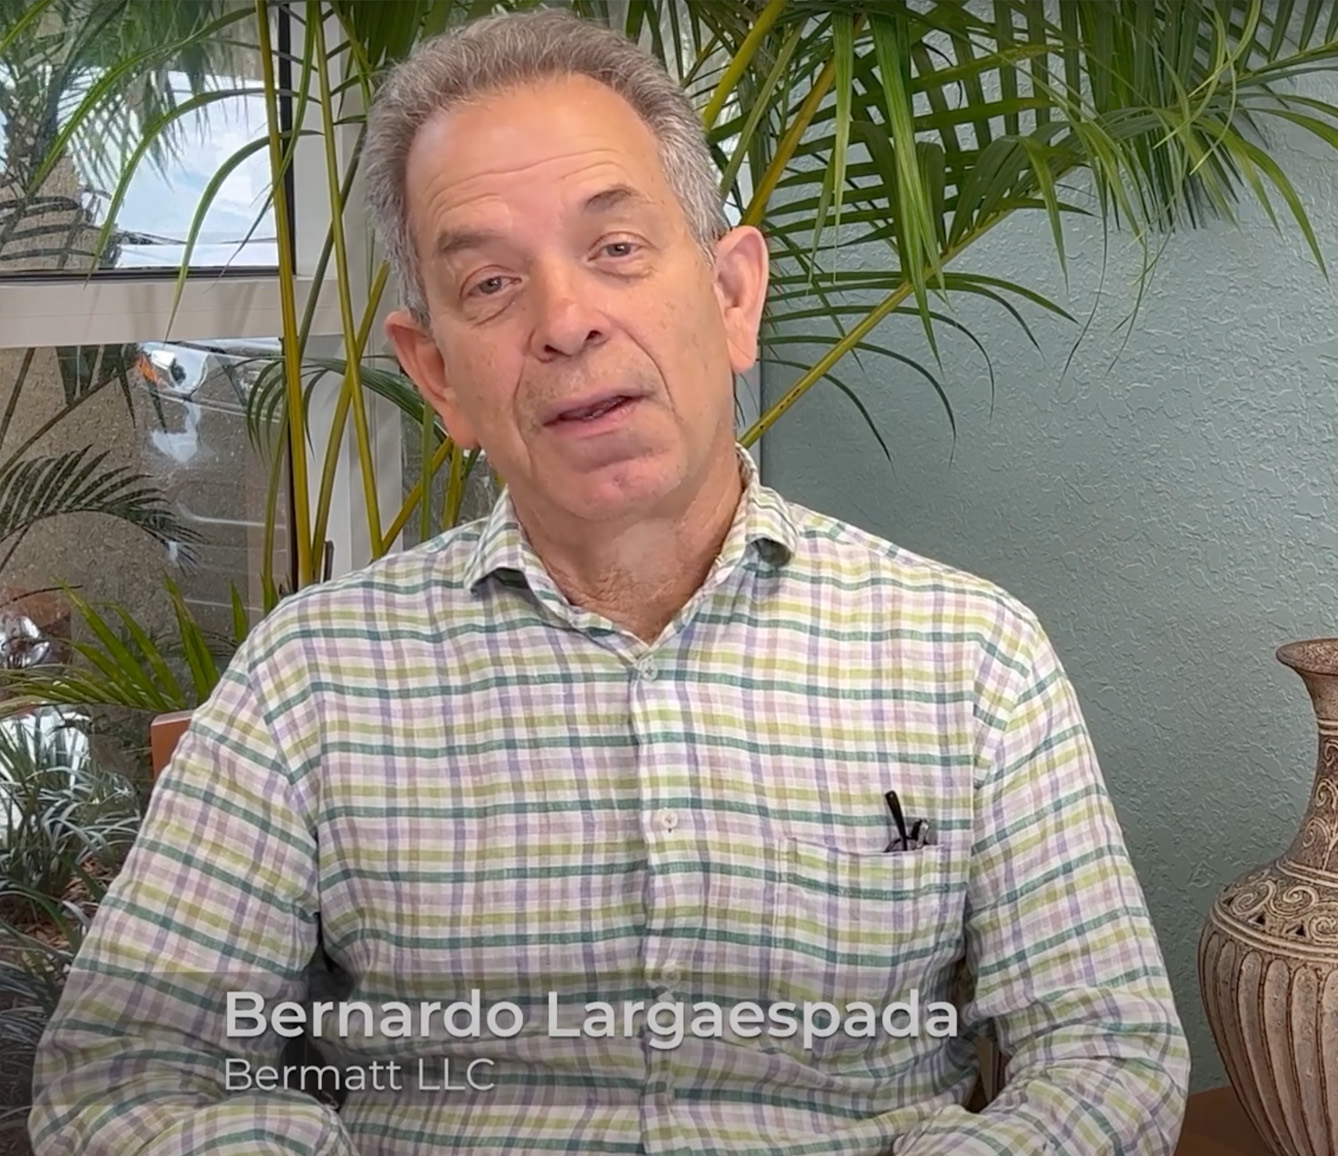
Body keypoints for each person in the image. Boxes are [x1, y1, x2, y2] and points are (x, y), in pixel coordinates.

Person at [30, 9, 1188, 1154]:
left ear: (732, 295)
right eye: (488, 284)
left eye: (616, 249)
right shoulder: (311, 678)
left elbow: (1106, 1051)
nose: (566, 321)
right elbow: (123, 1076)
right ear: (436, 375)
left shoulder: (968, 653)